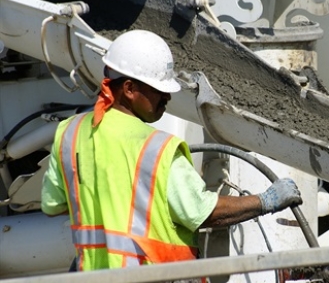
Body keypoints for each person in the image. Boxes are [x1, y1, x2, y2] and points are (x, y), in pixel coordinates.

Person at [41, 30, 302, 273]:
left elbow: (53, 205)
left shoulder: (69, 134)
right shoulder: (157, 148)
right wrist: (266, 201)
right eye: (159, 90)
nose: (167, 98)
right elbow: (202, 213)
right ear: (130, 89)